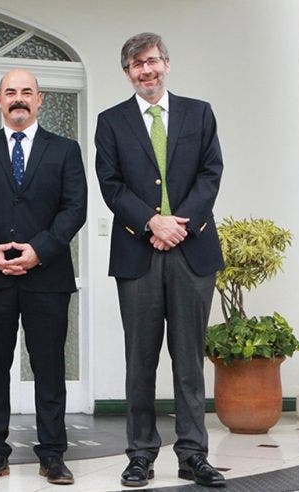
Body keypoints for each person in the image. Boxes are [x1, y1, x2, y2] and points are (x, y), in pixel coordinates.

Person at [95, 32, 225, 488]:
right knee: (141, 358)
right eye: (135, 65)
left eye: (151, 61)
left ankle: (193, 454)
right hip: (138, 254)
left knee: (188, 359)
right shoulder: (110, 122)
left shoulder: (199, 113)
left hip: (193, 252)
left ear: (165, 63)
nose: (145, 71)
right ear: (127, 73)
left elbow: (212, 172)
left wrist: (179, 224)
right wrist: (153, 222)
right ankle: (140, 455)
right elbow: (111, 184)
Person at [0, 68, 86, 485]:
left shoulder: (65, 150)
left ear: (40, 99)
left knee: (48, 368)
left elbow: (74, 209)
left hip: (46, 277)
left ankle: (53, 455)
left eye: (26, 92)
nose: (18, 99)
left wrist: (39, 251)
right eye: (10, 92)